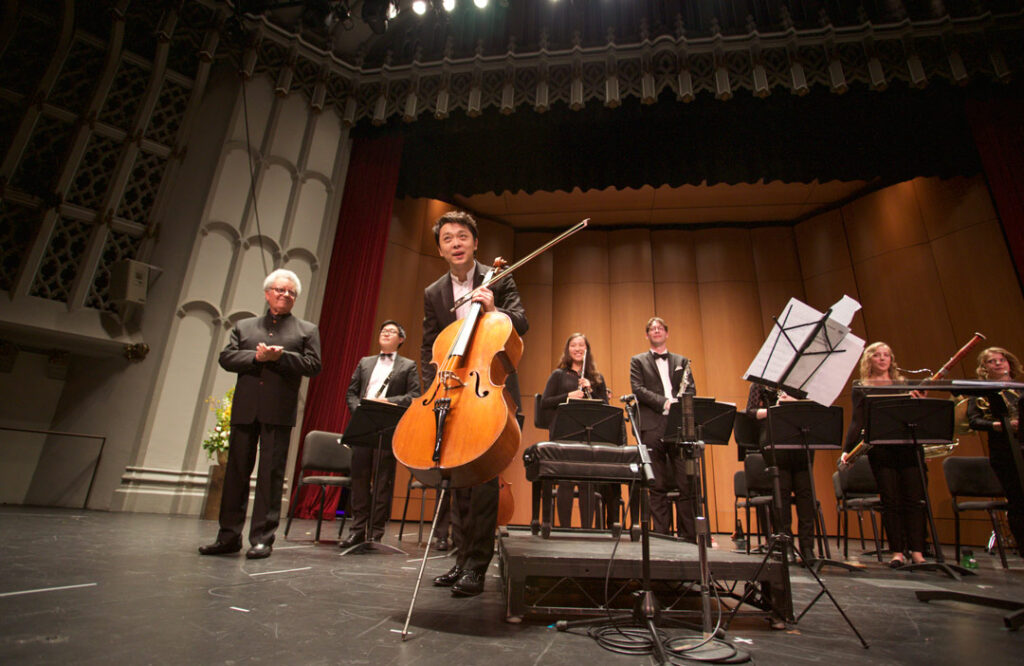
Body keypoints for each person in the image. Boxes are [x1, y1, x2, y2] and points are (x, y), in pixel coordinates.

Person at [421, 210, 528, 597]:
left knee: (483, 480)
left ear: (475, 242)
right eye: (448, 238)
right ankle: (460, 559)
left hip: (489, 388)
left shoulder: (498, 276)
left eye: (462, 236)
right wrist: (431, 385)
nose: (456, 243)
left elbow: (521, 322)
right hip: (451, 391)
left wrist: (494, 309)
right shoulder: (434, 293)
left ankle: (477, 566)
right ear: (440, 249)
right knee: (456, 481)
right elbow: (429, 344)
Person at [199, 269, 322, 559]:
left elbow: (314, 365)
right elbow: (226, 358)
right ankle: (228, 536)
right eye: (280, 290)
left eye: (291, 292)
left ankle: (262, 539)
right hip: (246, 409)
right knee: (236, 474)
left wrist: (281, 358)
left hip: (279, 411)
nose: (285, 295)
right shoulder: (244, 327)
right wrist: (256, 356)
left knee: (271, 475)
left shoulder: (307, 330)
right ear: (268, 293)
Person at [840, 342, 927, 568]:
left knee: (914, 500)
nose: (882, 359)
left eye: (886, 355)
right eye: (877, 355)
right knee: (890, 500)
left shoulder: (905, 385)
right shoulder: (862, 387)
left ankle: (917, 551)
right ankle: (897, 551)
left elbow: (916, 416)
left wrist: (920, 402)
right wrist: (848, 450)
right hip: (882, 449)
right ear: (869, 360)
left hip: (908, 447)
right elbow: (857, 420)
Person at [339, 320, 421, 548]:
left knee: (383, 480)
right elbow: (351, 393)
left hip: (387, 426)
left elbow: (414, 395)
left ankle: (375, 531)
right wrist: (359, 411)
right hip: (363, 424)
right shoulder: (365, 362)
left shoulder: (408, 366)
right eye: (383, 330)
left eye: (392, 331)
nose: (385, 333)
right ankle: (357, 529)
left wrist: (385, 402)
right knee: (359, 479)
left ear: (401, 339)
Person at [629, 316, 697, 540]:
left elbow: (691, 391)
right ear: (647, 335)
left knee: (686, 483)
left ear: (667, 333)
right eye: (652, 329)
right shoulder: (637, 361)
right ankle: (661, 537)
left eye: (660, 328)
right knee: (657, 485)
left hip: (678, 426)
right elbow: (637, 388)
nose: (656, 331)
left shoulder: (682, 361)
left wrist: (680, 402)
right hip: (652, 426)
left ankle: (689, 538)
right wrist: (664, 402)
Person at [540, 333, 610, 529]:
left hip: (588, 434)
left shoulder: (596, 378)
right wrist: (568, 396)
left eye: (582, 345)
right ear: (568, 350)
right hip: (564, 434)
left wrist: (592, 390)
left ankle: (588, 530)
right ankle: (564, 528)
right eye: (574, 345)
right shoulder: (559, 375)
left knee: (588, 481)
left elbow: (606, 406)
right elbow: (545, 403)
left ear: (587, 350)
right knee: (566, 481)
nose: (578, 349)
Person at [745, 384, 817, 563]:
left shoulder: (798, 382)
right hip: (774, 436)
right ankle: (785, 545)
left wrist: (794, 403)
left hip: (799, 437)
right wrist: (775, 410)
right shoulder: (759, 384)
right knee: (781, 493)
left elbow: (814, 406)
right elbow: (751, 412)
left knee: (805, 493)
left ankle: (808, 547)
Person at [967, 346, 1024, 553]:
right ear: (984, 368)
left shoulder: (1020, 388)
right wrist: (999, 426)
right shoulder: (982, 393)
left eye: (1002, 359)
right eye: (992, 361)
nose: (998, 363)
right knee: (1017, 499)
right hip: (1005, 451)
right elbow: (974, 420)